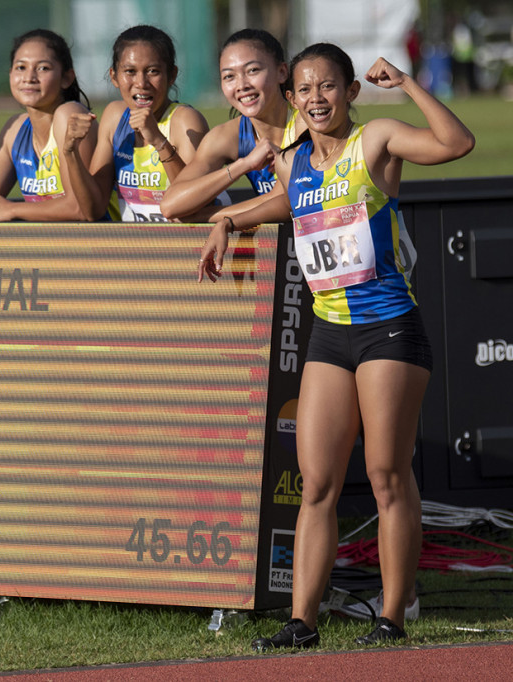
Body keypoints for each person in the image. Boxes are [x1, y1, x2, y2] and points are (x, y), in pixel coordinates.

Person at [197, 43, 474, 649]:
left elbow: (456, 145)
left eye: (330, 86)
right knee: (316, 482)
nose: (317, 98)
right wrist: (225, 222)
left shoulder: (375, 140)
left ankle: (393, 615)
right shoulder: (296, 162)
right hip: (330, 333)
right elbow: (286, 206)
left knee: (386, 473)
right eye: (306, 89)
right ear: (292, 99)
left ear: (350, 92)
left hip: (389, 329)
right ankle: (303, 623)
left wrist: (405, 83)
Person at [0, 29, 97, 222]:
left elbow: (80, 209)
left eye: (43, 68)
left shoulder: (70, 115)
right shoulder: (15, 129)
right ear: (10, 74)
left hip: (98, 246)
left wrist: (14, 209)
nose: (29, 77)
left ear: (67, 78)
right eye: (20, 67)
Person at [62, 25, 211, 222]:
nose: (141, 83)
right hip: (125, 248)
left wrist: (158, 141)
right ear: (114, 76)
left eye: (152, 71)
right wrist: (70, 152)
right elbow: (93, 210)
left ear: (172, 75)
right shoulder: (114, 117)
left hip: (176, 247)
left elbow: (193, 206)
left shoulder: (185, 121)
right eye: (130, 71)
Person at [161, 29, 303, 221]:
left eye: (252, 70)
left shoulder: (305, 123)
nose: (242, 85)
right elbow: (171, 205)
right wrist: (244, 165)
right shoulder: (229, 135)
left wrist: (204, 216)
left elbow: (284, 201)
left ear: (282, 72)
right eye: (229, 76)